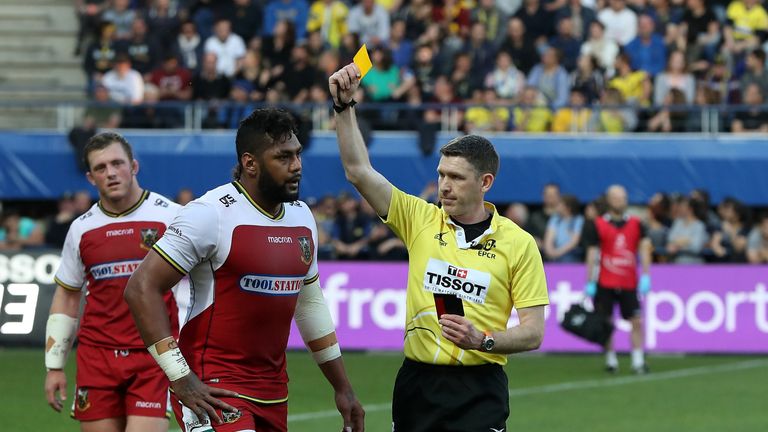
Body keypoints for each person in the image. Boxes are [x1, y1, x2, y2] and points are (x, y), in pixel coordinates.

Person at [329, 63, 549, 432]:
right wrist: (343, 107)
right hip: (417, 385)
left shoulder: (519, 243)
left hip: (480, 387)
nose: (444, 186)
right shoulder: (420, 219)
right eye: (441, 175)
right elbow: (358, 171)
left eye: (456, 178)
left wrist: (485, 339)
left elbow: (534, 332)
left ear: (485, 182)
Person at [124, 108, 364, 432]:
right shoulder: (209, 214)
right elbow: (141, 288)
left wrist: (343, 387)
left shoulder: (302, 217)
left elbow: (308, 304)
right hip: (213, 389)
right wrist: (179, 376)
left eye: (297, 155)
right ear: (250, 163)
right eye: (283, 157)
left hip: (273, 391)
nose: (296, 167)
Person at [43, 132, 182, 432]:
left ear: (133, 166)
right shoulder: (81, 230)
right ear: (91, 178)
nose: (111, 173)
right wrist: (54, 365)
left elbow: (200, 284)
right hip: (97, 359)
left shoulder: (172, 218)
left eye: (117, 163)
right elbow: (67, 297)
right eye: (101, 168)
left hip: (155, 357)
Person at [582, 184, 652, 374]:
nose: (619, 201)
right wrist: (590, 281)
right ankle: (611, 359)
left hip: (629, 280)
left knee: (636, 320)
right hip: (605, 280)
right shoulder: (598, 224)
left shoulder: (637, 224)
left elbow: (644, 249)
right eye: (615, 197)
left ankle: (638, 360)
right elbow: (592, 253)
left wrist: (646, 274)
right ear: (609, 200)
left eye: (622, 197)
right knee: (607, 321)